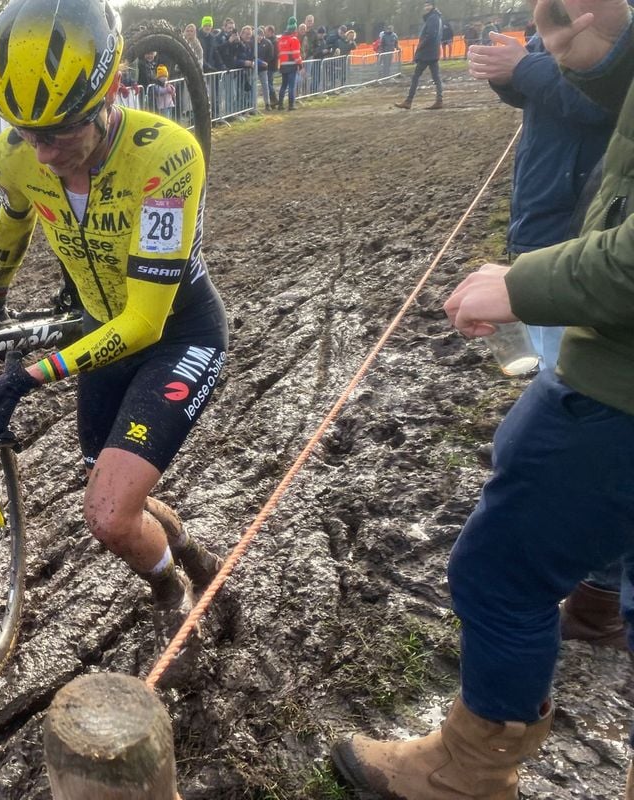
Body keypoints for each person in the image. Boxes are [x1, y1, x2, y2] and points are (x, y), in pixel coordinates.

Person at [332, 0, 634, 793]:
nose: (545, 31)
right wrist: (590, 58)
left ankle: (469, 771)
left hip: (616, 377)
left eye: (556, 14)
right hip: (606, 348)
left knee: (499, 566)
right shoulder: (602, 48)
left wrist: (523, 283)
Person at [0, 0, 228, 668]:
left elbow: (144, 320)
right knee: (119, 502)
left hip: (175, 333)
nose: (43, 152)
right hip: (101, 336)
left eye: (58, 131)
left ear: (107, 94)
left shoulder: (166, 157)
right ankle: (193, 557)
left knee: (107, 515)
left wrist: (27, 377)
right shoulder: (17, 155)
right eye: (25, 132)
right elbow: (15, 220)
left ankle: (173, 601)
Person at [468, 27, 622, 647]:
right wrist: (517, 78)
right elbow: (564, 104)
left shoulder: (608, 23)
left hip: (582, 248)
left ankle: (601, 593)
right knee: (565, 402)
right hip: (554, 229)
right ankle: (599, 591)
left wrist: (527, 69)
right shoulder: (577, 25)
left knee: (586, 414)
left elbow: (605, 100)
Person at [394, 0, 443, 109]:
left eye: (428, 4)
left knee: (416, 76)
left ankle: (409, 101)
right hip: (432, 52)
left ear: (432, 6)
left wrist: (420, 47)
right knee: (436, 77)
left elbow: (430, 35)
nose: (426, 6)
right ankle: (439, 100)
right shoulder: (435, 17)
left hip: (427, 53)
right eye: (425, 4)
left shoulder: (433, 18)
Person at [276, 17, 303, 111]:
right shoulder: (294, 39)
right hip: (292, 65)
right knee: (291, 86)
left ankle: (280, 105)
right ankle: (291, 105)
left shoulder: (281, 39)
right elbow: (296, 54)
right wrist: (300, 64)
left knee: (283, 85)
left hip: (283, 65)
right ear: (294, 29)